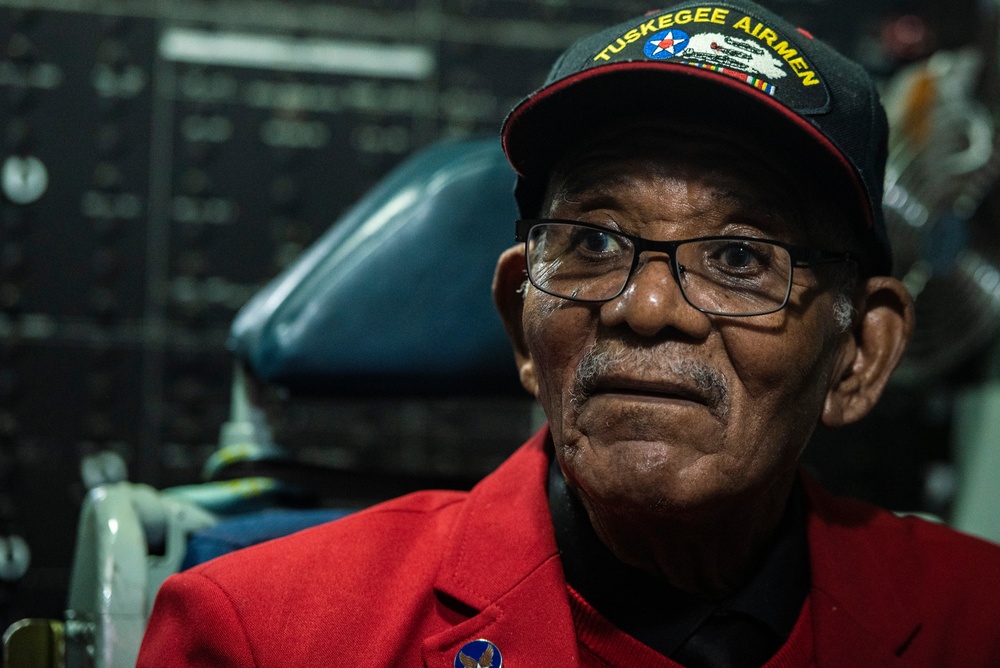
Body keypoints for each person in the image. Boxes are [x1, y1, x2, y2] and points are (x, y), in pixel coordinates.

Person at [137, 1, 1000, 665]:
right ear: (521, 316)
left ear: (860, 355)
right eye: (592, 241)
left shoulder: (977, 619)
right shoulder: (268, 634)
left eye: (739, 256)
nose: (649, 307)